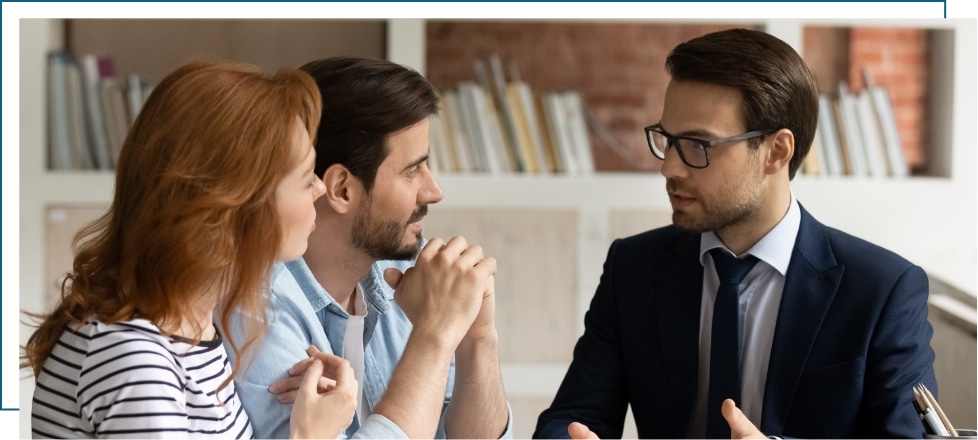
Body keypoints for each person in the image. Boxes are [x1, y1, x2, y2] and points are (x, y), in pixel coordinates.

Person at [534, 28, 937, 439]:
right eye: (668, 140)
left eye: (697, 145)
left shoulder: (883, 290)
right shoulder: (634, 268)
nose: (669, 168)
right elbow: (571, 416)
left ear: (776, 152)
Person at [22, 61, 358, 439]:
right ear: (234, 208)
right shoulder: (136, 359)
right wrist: (312, 436)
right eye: (304, 177)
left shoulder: (195, 328)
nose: (319, 189)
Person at [223, 56, 511, 439]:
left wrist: (477, 336)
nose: (434, 191)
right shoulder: (257, 308)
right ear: (341, 188)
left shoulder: (400, 277)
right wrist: (436, 334)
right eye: (412, 170)